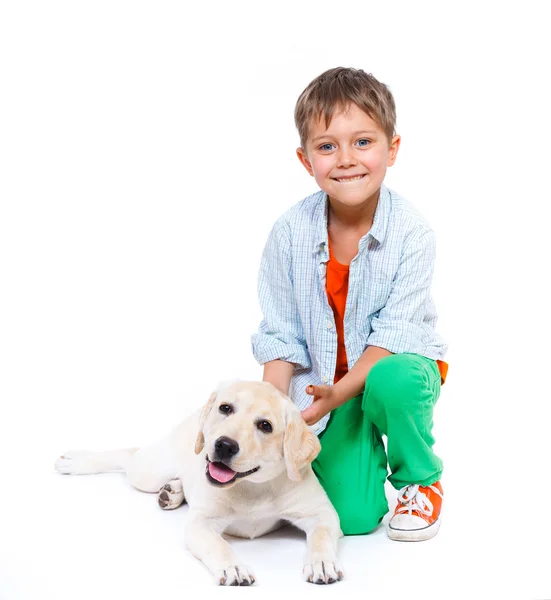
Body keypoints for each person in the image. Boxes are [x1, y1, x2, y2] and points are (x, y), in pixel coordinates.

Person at [251, 67, 448, 541]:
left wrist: (342, 393)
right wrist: (272, 412)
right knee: (353, 519)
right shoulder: (289, 233)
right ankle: (359, 448)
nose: (345, 160)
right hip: (326, 386)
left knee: (392, 381)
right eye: (327, 146)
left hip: (393, 366)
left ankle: (420, 479)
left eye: (363, 142)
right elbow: (280, 336)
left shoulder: (412, 233)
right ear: (305, 159)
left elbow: (394, 336)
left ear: (391, 149)